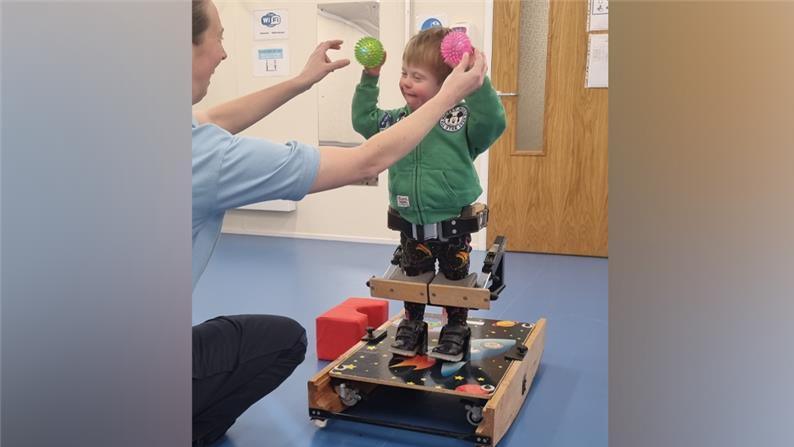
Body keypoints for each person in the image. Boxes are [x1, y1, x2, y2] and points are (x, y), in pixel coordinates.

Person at [191, 0, 488, 445]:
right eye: (218, 37)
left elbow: (213, 119)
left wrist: (300, 82)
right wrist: (448, 92)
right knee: (285, 340)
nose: (223, 53)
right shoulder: (201, 156)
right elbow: (366, 155)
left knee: (453, 279)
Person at [351, 27, 506, 362]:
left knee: (455, 280)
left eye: (417, 76)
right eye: (404, 73)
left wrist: (477, 82)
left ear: (446, 83)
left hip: (453, 224)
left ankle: (454, 327)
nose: (406, 81)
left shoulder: (459, 120)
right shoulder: (396, 121)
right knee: (413, 276)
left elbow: (493, 121)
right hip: (411, 223)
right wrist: (370, 76)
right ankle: (413, 324)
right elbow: (364, 120)